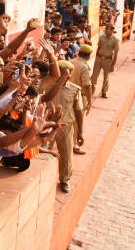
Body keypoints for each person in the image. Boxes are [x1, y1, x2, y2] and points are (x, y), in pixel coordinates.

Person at [51, 61, 84, 193]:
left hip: (66, 127)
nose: (67, 75)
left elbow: (79, 111)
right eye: (64, 72)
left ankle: (65, 180)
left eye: (69, 73)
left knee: (67, 156)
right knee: (43, 154)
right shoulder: (48, 87)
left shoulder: (75, 89)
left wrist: (80, 132)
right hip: (48, 126)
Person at [91, 23, 120, 98]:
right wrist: (96, 58)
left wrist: (113, 65)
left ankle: (104, 91)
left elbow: (116, 53)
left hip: (108, 60)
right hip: (99, 58)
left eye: (107, 29)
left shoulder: (115, 40)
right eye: (105, 29)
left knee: (106, 77)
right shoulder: (101, 37)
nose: (106, 30)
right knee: (94, 75)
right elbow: (98, 48)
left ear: (112, 30)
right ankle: (92, 90)